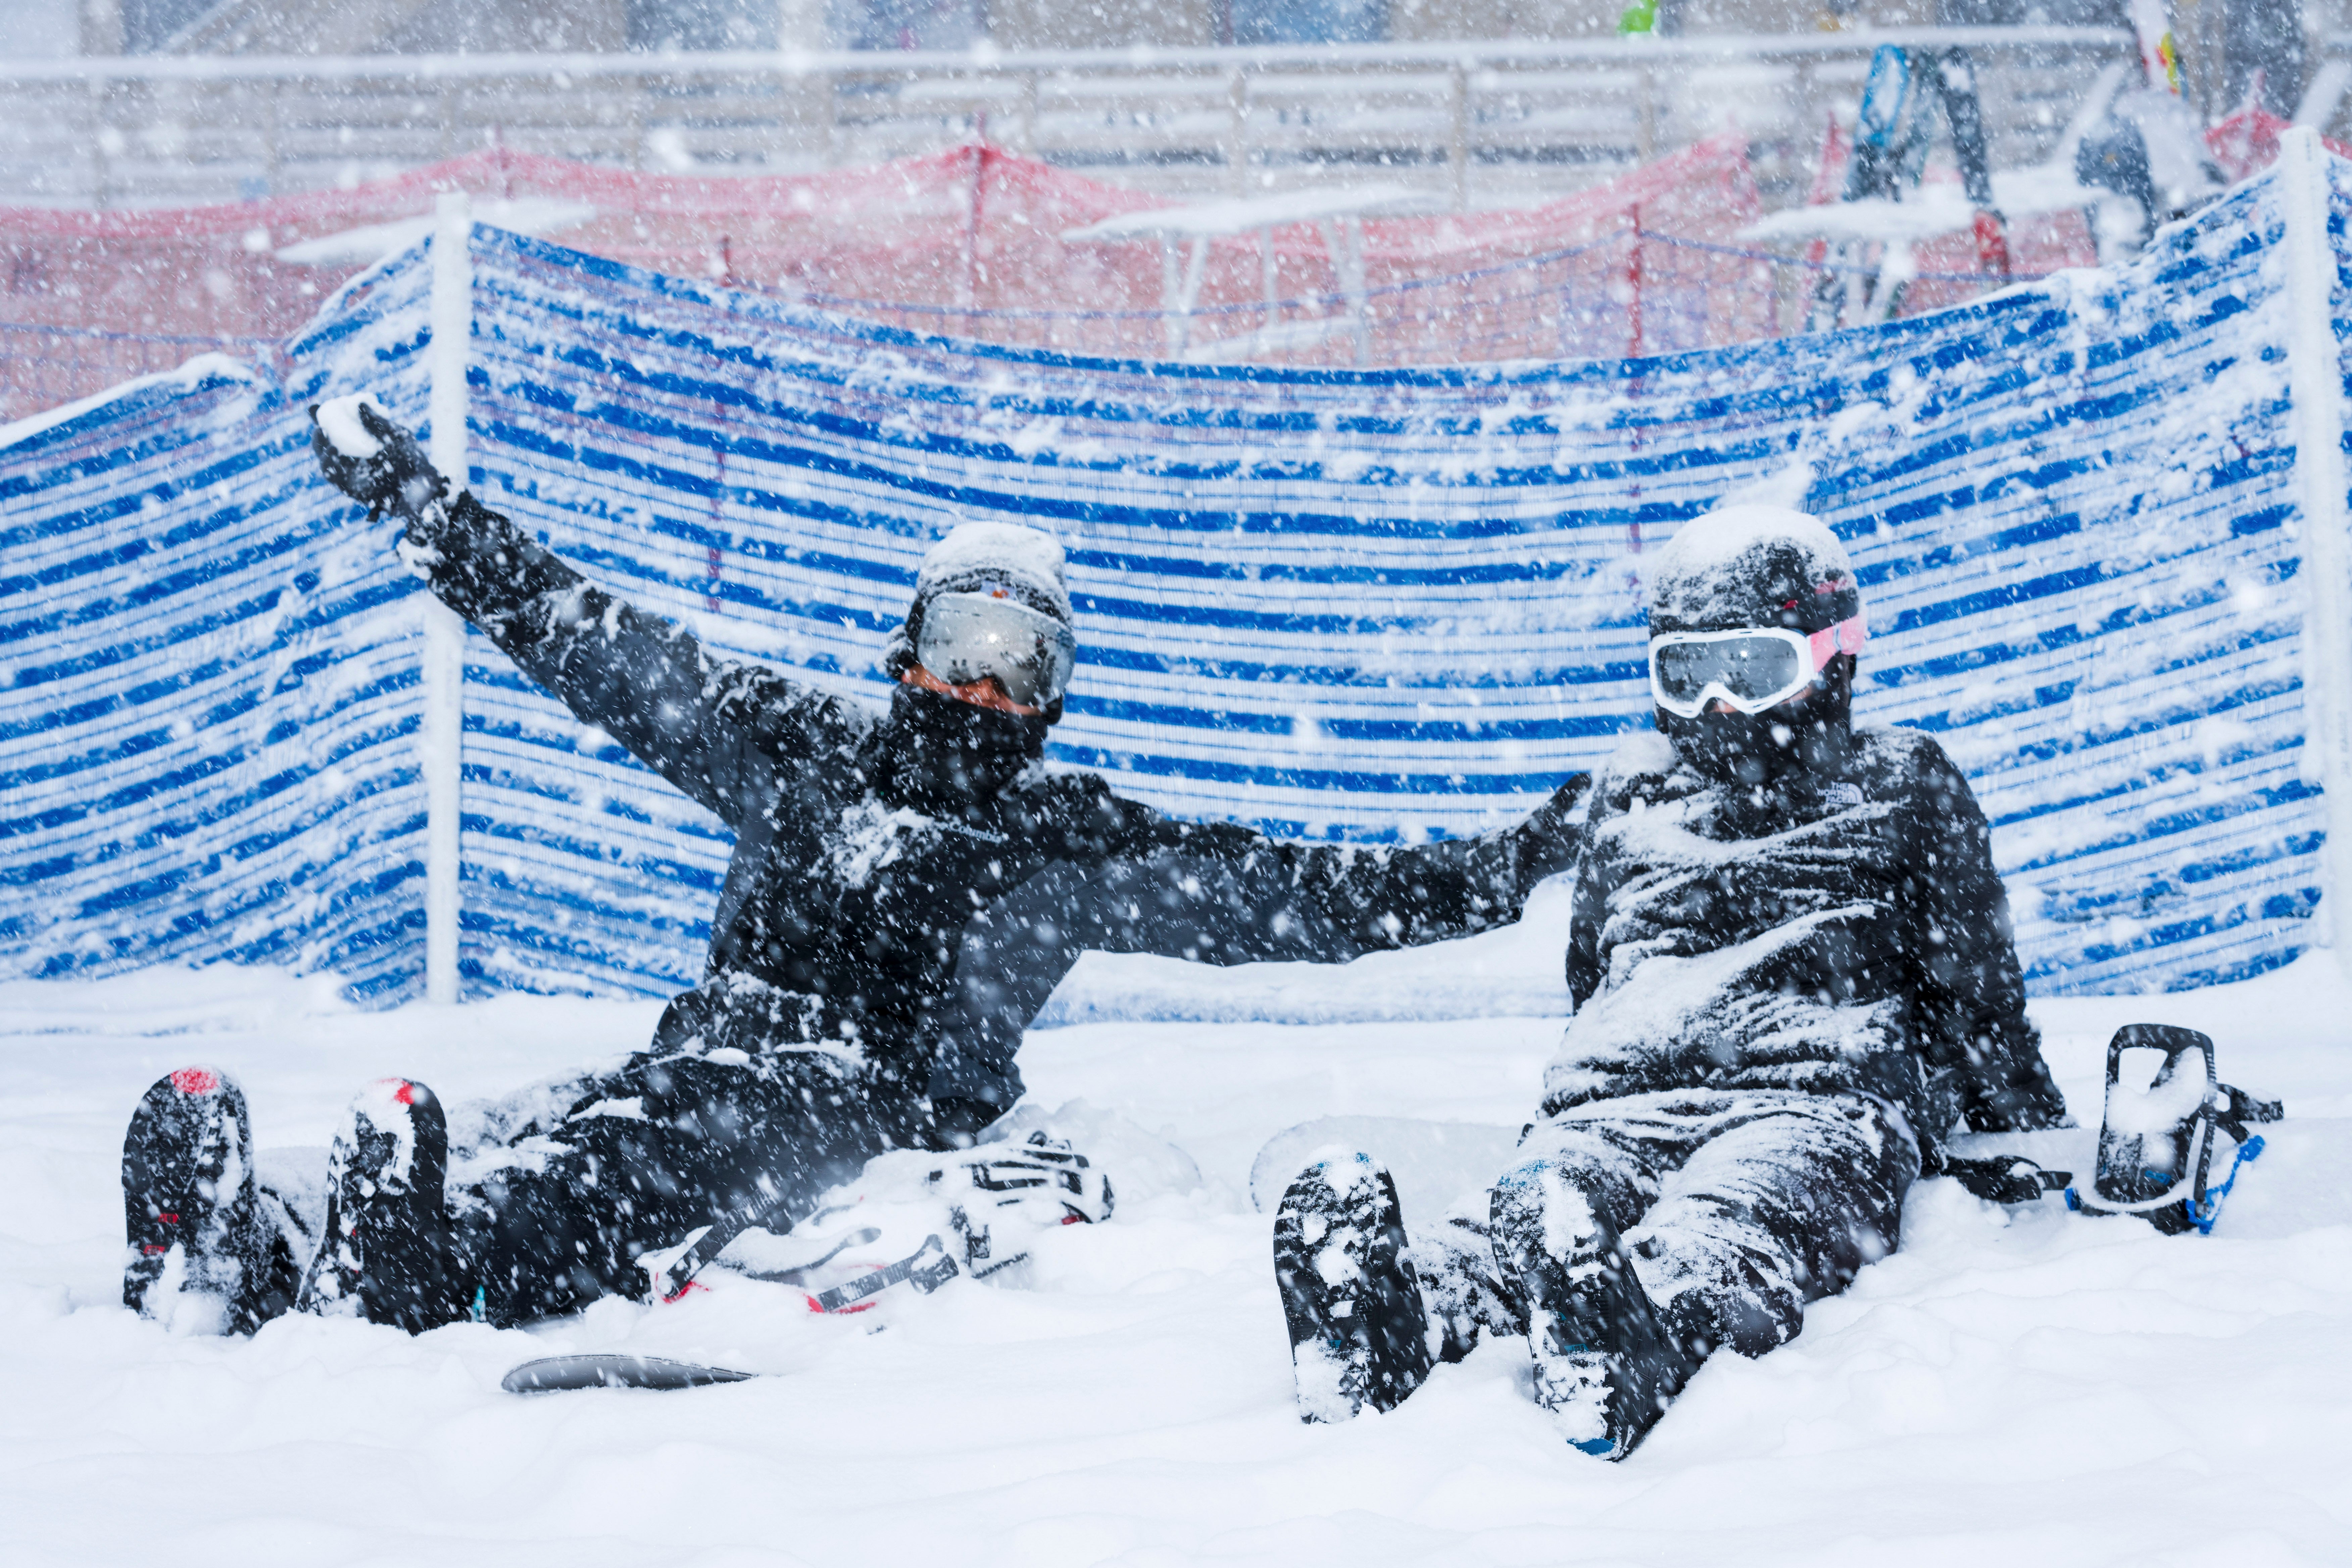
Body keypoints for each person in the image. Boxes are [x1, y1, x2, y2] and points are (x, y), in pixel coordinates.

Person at [119, 396, 1589, 1336]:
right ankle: (265, 1230)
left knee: (634, 1154)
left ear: (1058, 694)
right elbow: (596, 643)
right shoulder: (797, 743)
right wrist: (423, 513)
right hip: (708, 1045)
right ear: (910, 646)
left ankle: (446, 1267)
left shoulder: (1065, 838)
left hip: (860, 1104)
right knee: (555, 1108)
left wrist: (1510, 863)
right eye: (965, 647)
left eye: (1024, 665)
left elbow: (1302, 898)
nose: (985, 689)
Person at [1271, 504, 2069, 1459]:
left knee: (1738, 1213)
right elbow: (1597, 974)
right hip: (1623, 1100)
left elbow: (1973, 988)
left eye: (1755, 669)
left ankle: (1638, 1324)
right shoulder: (1632, 787)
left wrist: (2013, 1119)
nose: (1721, 707)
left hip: (1810, 1103)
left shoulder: (1900, 782)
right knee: (1544, 1204)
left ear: (1834, 660)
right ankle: (1400, 1311)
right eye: (1687, 677)